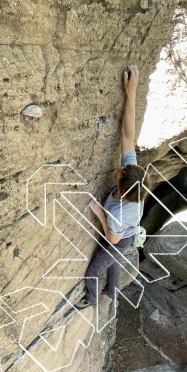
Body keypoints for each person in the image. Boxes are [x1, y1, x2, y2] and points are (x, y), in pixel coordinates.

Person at [75, 65, 149, 310]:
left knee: (96, 268)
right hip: (126, 234)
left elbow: (113, 236)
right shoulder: (133, 180)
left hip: (121, 236)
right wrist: (132, 93)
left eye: (120, 173)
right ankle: (112, 291)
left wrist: (100, 215)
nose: (119, 169)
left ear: (123, 188)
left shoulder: (118, 212)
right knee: (114, 259)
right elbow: (128, 137)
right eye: (123, 169)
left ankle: (93, 299)